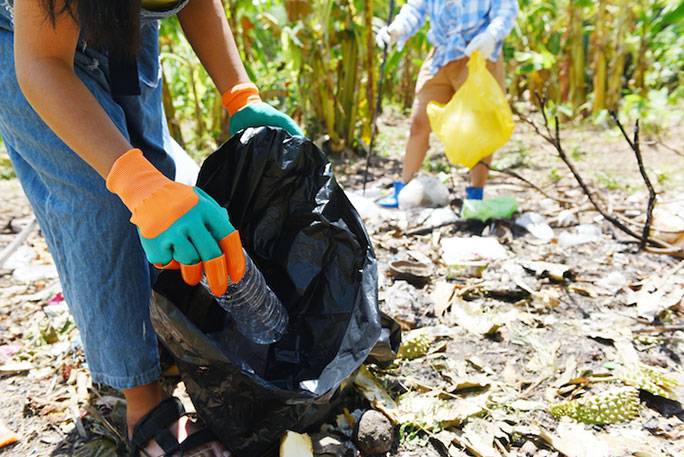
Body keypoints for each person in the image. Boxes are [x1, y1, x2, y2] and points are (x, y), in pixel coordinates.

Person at [0, 0, 302, 455]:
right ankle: (141, 401)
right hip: (29, 44)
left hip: (124, 30)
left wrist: (241, 94)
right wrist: (136, 187)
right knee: (99, 199)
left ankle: (153, 330)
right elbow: (43, 62)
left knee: (155, 168)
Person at [375, 0, 519, 208]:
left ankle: (475, 196)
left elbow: (505, 9)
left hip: (478, 52)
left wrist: (492, 35)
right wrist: (397, 29)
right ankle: (404, 190)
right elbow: (415, 8)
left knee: (481, 127)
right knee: (419, 121)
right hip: (442, 53)